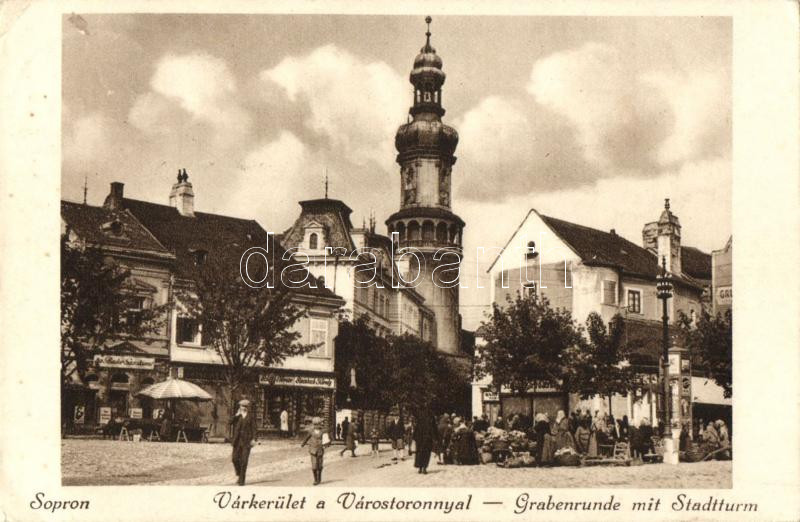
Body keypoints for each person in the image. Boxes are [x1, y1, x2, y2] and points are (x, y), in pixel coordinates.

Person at [230, 399, 257, 486]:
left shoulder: (251, 417)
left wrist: (254, 439)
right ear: (240, 407)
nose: (244, 408)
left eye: (246, 406)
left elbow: (254, 428)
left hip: (247, 442)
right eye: (242, 406)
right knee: (234, 459)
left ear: (248, 407)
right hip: (237, 441)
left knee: (244, 461)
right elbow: (230, 422)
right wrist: (236, 415)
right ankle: (239, 473)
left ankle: (241, 481)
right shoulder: (238, 416)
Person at [301, 417, 329, 485]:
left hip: (320, 449)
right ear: (314, 424)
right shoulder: (311, 431)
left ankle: (319, 478)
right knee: (314, 466)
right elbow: (307, 438)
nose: (317, 426)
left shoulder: (323, 431)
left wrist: (326, 444)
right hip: (313, 450)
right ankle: (315, 480)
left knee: (320, 466)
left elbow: (327, 440)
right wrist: (303, 444)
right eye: (315, 424)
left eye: (318, 424)